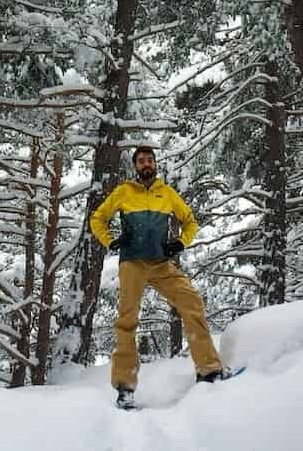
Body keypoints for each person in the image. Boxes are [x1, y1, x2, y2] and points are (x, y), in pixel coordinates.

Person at [89, 145, 233, 410]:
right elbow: (97, 219)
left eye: (149, 160)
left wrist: (179, 243)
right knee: (127, 320)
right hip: (132, 263)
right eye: (141, 161)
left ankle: (209, 370)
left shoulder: (166, 193)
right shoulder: (123, 192)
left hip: (161, 263)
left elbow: (190, 221)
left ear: (155, 164)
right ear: (135, 166)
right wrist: (112, 241)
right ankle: (125, 388)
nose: (146, 164)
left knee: (192, 302)